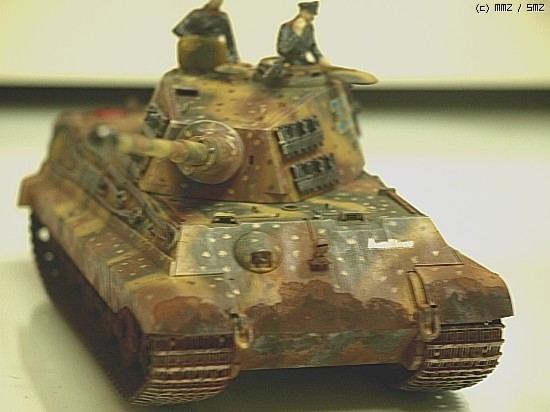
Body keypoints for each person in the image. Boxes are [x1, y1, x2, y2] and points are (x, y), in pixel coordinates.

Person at [172, 0, 239, 63]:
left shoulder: (222, 18)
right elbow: (178, 29)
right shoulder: (196, 15)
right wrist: (193, 38)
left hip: (214, 53)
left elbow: (230, 40)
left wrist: (234, 58)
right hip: (195, 52)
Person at [276, 1, 329, 66]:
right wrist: (297, 34)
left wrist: (320, 58)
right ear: (302, 12)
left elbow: (312, 45)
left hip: (302, 61)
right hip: (288, 62)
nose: (312, 17)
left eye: (313, 14)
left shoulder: (309, 27)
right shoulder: (287, 27)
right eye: (310, 14)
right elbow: (283, 49)